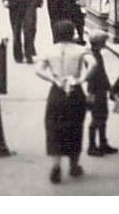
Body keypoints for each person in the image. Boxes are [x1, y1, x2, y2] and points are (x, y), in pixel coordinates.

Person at [36, 19, 95, 184]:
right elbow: (93, 64)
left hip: (57, 91)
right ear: (72, 33)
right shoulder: (81, 50)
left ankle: (56, 164)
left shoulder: (49, 50)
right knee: (75, 126)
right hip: (75, 90)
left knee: (54, 126)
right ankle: (74, 165)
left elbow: (38, 69)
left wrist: (53, 79)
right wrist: (82, 79)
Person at [84, 33, 118, 155]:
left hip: (100, 90)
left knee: (102, 117)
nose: (105, 43)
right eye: (103, 41)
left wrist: (109, 88)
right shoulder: (93, 56)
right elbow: (96, 75)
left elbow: (103, 74)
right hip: (96, 90)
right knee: (97, 118)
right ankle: (92, 146)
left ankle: (103, 143)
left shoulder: (96, 55)